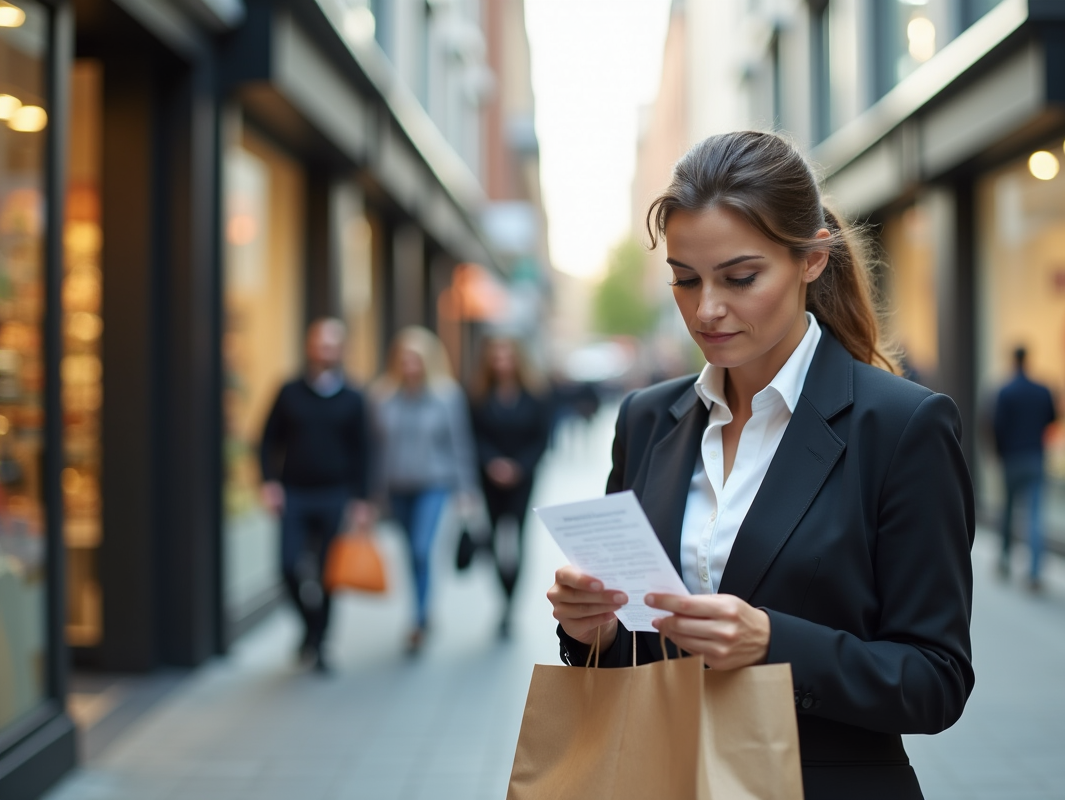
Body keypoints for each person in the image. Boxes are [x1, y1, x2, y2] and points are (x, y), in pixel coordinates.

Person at [546, 131, 975, 800]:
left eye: (740, 277)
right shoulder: (646, 421)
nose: (707, 308)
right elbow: (630, 646)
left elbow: (935, 679)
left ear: (811, 260)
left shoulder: (901, 427)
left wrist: (774, 643)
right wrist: (593, 633)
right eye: (685, 280)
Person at [260, 318, 371, 674]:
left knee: (328, 575)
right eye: (319, 344)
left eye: (332, 344)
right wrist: (269, 482)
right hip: (294, 493)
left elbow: (364, 451)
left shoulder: (354, 397)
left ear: (341, 350)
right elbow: (265, 440)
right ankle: (310, 626)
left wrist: (362, 500)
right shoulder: (289, 391)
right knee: (288, 566)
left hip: (335, 494)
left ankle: (320, 644)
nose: (325, 351)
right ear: (309, 347)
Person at [373, 326, 478, 654]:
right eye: (403, 360)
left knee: (421, 548)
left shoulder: (447, 396)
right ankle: (421, 611)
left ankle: (418, 618)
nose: (409, 367)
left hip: (434, 484)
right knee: (409, 552)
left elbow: (460, 444)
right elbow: (375, 448)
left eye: (415, 360)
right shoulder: (383, 395)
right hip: (396, 487)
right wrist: (372, 493)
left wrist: (466, 489)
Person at [469, 337, 553, 639]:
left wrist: (519, 467)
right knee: (493, 539)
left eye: (506, 356)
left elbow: (543, 438)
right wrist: (491, 463)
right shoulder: (479, 395)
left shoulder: (535, 395)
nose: (501, 362)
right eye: (496, 356)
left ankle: (510, 605)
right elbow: (473, 436)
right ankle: (501, 595)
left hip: (522, 478)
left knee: (516, 539)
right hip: (488, 479)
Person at [992, 346, 1056, 589]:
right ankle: (1034, 572)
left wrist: (999, 453)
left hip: (1011, 458)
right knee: (1035, 514)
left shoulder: (1005, 391)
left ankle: (1005, 560)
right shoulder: (1041, 390)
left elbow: (996, 425)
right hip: (1035, 456)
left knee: (1008, 510)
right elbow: (1052, 418)